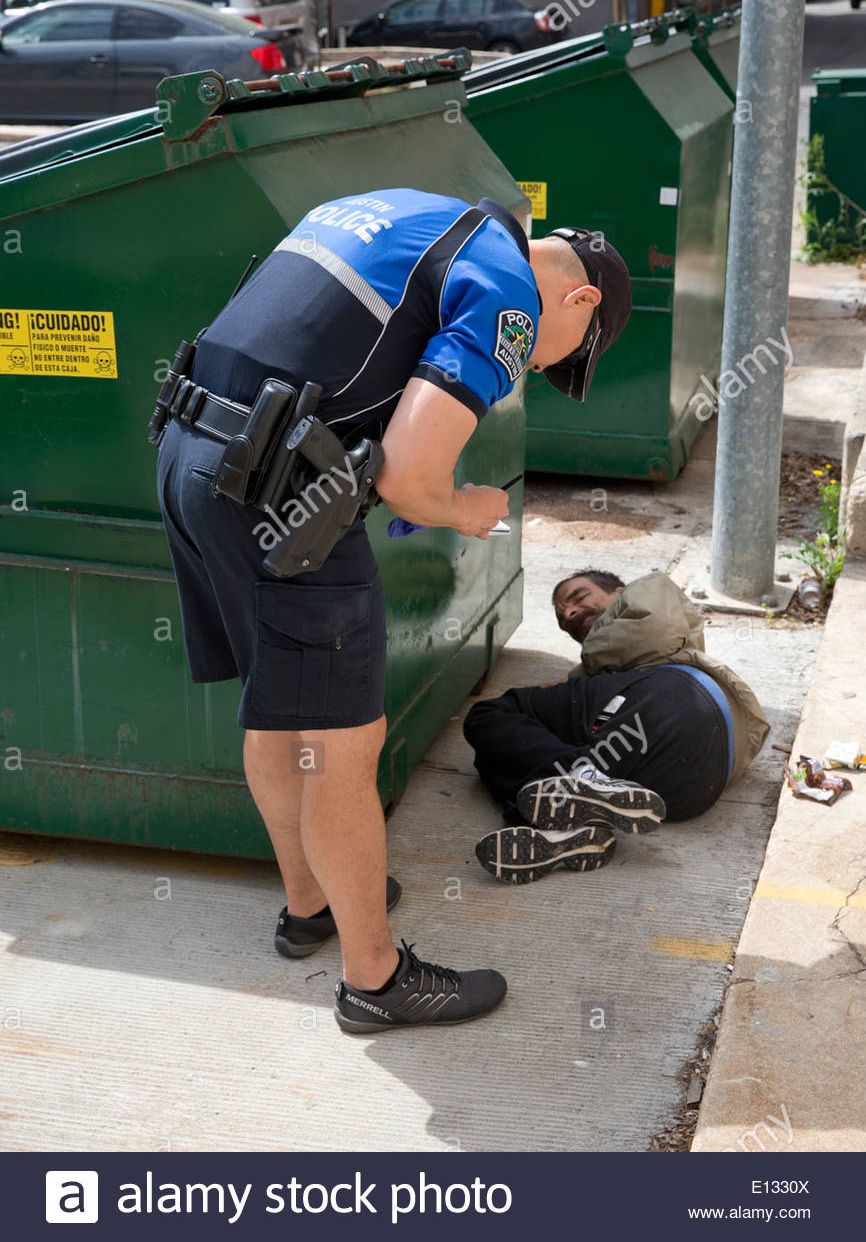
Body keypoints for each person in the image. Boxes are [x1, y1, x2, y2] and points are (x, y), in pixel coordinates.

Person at [154, 189, 633, 1032]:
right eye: (561, 362)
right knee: (345, 742)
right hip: (281, 492)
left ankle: (310, 906)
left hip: (193, 459)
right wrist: (466, 505)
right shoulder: (507, 294)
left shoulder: (409, 211)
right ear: (579, 300)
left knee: (279, 707)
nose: (537, 374)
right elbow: (409, 479)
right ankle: (375, 981)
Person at [465, 568, 769, 884]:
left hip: (676, 703)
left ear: (617, 591)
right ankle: (575, 828)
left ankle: (576, 778)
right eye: (564, 619)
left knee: (490, 715)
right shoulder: (606, 674)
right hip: (686, 797)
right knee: (494, 756)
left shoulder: (647, 588)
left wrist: (577, 679)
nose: (569, 613)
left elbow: (655, 632)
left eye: (578, 597)